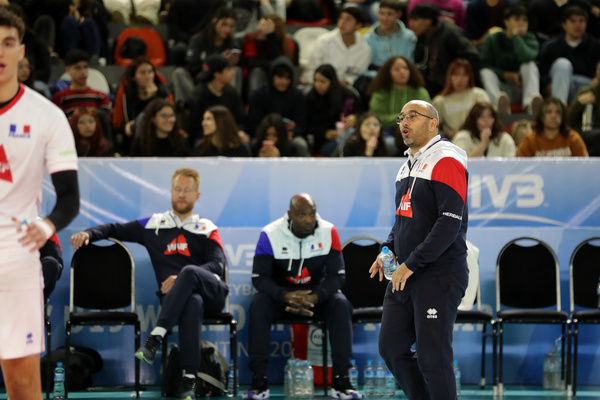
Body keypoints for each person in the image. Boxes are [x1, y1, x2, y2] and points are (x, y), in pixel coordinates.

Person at [70, 168, 229, 400]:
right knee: (192, 301)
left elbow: (217, 265)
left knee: (188, 273)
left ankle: (156, 336)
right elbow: (115, 229)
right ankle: (189, 381)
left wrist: (184, 276)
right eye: (178, 189)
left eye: (187, 190)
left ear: (197, 195)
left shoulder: (207, 228)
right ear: (171, 192)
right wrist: (89, 234)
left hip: (212, 292)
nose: (181, 194)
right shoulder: (155, 224)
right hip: (178, 298)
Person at [0, 8, 79, 400]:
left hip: (16, 257)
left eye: (7, 43)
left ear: (21, 51)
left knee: (22, 383)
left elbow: (69, 198)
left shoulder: (46, 116)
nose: (0, 52)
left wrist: (47, 225)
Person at [369, 100, 468, 400]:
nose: (404, 122)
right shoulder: (407, 165)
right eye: (401, 117)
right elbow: (402, 219)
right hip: (404, 274)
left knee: (433, 358)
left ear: (433, 123)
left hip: (438, 274)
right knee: (391, 348)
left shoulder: (446, 159)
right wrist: (387, 248)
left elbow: (449, 223)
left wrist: (411, 263)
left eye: (413, 116)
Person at [243, 193, 362, 400]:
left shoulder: (328, 231)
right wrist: (284, 296)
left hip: (316, 297)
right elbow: (260, 278)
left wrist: (315, 297)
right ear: (290, 215)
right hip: (281, 297)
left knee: (341, 304)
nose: (308, 219)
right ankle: (259, 381)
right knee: (258, 304)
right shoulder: (270, 234)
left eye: (312, 214)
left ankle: (341, 380)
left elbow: (337, 276)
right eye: (301, 215)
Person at [480, 5, 543, 116]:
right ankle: (498, 107)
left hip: (522, 88)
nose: (521, 23)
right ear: (506, 22)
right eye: (517, 19)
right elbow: (484, 65)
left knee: (529, 65)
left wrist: (516, 37)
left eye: (524, 20)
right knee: (485, 72)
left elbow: (526, 57)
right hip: (501, 90)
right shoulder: (492, 39)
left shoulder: (530, 38)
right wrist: (506, 75)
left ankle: (530, 106)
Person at [172, 7, 242, 106]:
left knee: (236, 70)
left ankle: (229, 105)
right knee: (179, 72)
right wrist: (217, 61)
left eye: (231, 26)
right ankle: (191, 105)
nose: (227, 29)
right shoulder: (198, 40)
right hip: (198, 85)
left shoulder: (233, 44)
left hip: (221, 86)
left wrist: (234, 62)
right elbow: (192, 68)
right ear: (215, 21)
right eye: (224, 25)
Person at [409, 3, 481, 97]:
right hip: (433, 83)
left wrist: (464, 81)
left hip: (453, 85)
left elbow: (473, 56)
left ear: (428, 21)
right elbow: (420, 62)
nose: (411, 24)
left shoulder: (451, 33)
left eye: (415, 19)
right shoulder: (422, 35)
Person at [247, 56, 309, 155]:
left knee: (300, 144)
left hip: (289, 137)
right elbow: (252, 122)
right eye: (280, 77)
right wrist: (267, 132)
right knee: (251, 144)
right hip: (264, 136)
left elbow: (301, 124)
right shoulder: (259, 94)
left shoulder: (297, 96)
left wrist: (289, 132)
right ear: (272, 76)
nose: (284, 81)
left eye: (287, 78)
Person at [368, 56, 430, 155]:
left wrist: (401, 119)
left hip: (416, 132)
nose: (402, 72)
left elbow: (426, 116)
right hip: (388, 132)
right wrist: (406, 118)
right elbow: (377, 118)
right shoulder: (380, 93)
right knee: (389, 144)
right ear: (388, 73)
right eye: (397, 69)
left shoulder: (420, 92)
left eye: (405, 68)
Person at [538, 6, 600, 105]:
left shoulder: (595, 46)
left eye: (581, 21)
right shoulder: (551, 47)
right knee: (562, 64)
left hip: (587, 87)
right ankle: (559, 108)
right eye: (573, 21)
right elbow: (541, 74)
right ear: (564, 25)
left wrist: (597, 79)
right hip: (560, 85)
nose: (578, 25)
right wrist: (547, 86)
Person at [112, 56, 173, 154]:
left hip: (161, 136)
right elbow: (117, 125)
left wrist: (153, 98)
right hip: (133, 138)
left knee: (143, 118)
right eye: (142, 73)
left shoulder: (164, 93)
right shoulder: (124, 95)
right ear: (133, 77)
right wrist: (125, 128)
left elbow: (171, 118)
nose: (148, 76)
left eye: (150, 72)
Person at [302, 6, 371, 88]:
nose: (342, 22)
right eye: (341, 18)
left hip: (344, 88)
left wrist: (347, 81)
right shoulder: (324, 41)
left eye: (348, 19)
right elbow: (311, 70)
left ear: (358, 25)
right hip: (318, 85)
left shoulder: (364, 48)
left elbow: (356, 74)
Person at [188, 54, 246, 144]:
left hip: (229, 136)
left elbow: (240, 120)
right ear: (217, 74)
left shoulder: (231, 92)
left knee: (244, 142)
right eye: (228, 70)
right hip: (206, 138)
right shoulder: (199, 95)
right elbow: (194, 129)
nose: (233, 72)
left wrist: (239, 131)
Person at [306, 64, 361, 156]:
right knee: (343, 146)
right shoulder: (311, 97)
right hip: (324, 142)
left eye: (322, 81)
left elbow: (361, 114)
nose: (318, 85)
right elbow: (307, 124)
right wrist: (325, 133)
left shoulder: (346, 95)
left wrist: (355, 117)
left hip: (348, 136)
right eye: (315, 80)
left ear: (332, 81)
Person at [432, 59, 490, 138]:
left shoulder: (478, 94)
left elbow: (488, 117)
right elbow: (432, 128)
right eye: (456, 74)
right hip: (451, 139)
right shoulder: (440, 101)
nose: (460, 79)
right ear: (450, 76)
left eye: (464, 75)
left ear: (469, 77)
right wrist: (448, 134)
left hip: (476, 136)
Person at [242, 13, 297, 96]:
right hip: (256, 76)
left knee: (283, 75)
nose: (259, 29)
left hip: (279, 77)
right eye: (260, 25)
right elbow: (251, 63)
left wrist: (271, 37)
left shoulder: (287, 42)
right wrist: (272, 64)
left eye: (265, 26)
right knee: (257, 71)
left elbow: (281, 66)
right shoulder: (252, 39)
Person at [517, 97, 589, 157]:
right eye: (549, 112)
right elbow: (520, 165)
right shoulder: (530, 141)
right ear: (541, 116)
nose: (553, 116)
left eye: (558, 112)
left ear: (563, 116)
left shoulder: (573, 139)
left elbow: (584, 165)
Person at [52, 49, 112, 118]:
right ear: (68, 70)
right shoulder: (60, 98)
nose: (83, 72)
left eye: (85, 67)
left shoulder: (101, 97)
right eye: (77, 68)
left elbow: (106, 122)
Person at [364, 0, 417, 74]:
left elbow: (411, 65)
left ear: (399, 14)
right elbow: (364, 68)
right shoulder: (368, 38)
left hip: (403, 76)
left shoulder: (410, 37)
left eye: (389, 14)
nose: (385, 18)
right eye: (382, 13)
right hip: (376, 77)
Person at [452, 102, 516, 157]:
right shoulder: (462, 137)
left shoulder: (504, 138)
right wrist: (483, 144)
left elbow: (511, 164)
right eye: (481, 117)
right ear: (473, 120)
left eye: (489, 116)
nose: (486, 121)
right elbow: (461, 163)